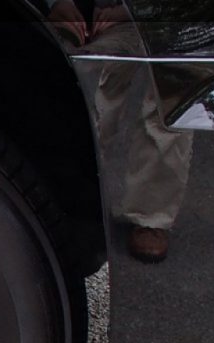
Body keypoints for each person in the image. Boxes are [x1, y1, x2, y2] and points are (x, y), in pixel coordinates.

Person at [46, 0, 194, 262]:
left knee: (170, 93)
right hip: (86, 10)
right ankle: (69, 195)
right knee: (83, 88)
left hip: (164, 14)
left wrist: (136, 11)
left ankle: (151, 214)